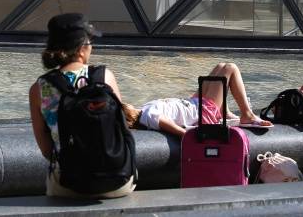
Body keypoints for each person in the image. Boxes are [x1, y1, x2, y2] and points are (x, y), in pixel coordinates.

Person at [28, 13, 135, 198]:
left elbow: (46, 149)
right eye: (90, 41)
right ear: (81, 48)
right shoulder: (105, 77)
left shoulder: (38, 88)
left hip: (67, 186)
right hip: (117, 182)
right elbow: (123, 127)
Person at [121, 62, 273, 136]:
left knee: (220, 66)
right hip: (202, 112)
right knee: (230, 68)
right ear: (128, 112)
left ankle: (224, 112)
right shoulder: (148, 116)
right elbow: (169, 125)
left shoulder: (144, 110)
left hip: (193, 103)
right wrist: (187, 136)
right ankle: (247, 114)